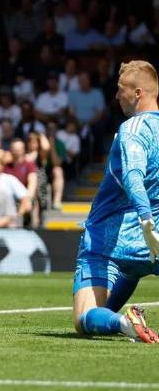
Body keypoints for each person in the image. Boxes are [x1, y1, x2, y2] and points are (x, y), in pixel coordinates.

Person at [73, 60, 159, 343]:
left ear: (137, 93)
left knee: (86, 319)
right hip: (153, 243)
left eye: (120, 89)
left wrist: (145, 219)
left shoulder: (133, 128)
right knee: (104, 309)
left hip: (109, 243)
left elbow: (133, 175)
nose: (116, 95)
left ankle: (125, 322)